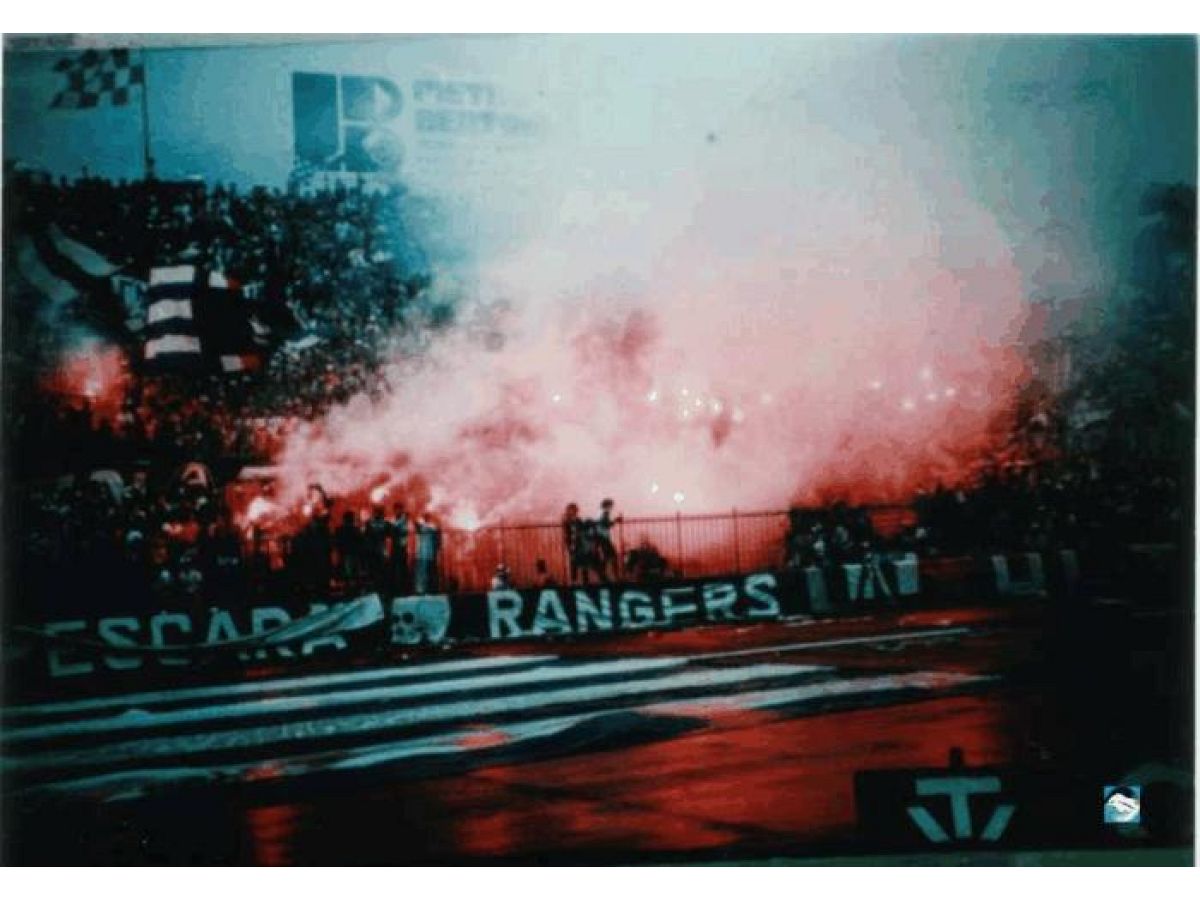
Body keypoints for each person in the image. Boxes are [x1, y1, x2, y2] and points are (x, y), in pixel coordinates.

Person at [595, 498, 622, 581]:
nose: (611, 508)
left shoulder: (600, 513)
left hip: (601, 538)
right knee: (613, 556)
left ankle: (604, 575)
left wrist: (615, 521)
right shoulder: (604, 513)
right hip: (603, 538)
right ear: (607, 506)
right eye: (611, 506)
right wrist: (616, 520)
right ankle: (615, 576)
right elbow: (606, 524)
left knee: (607, 557)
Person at [414, 513, 441, 594]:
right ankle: (421, 589)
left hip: (429, 553)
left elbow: (437, 534)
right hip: (422, 553)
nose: (426, 519)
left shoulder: (432, 527)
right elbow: (417, 525)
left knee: (428, 571)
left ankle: (429, 589)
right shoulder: (423, 526)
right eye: (425, 517)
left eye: (427, 517)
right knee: (422, 571)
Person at [389, 502, 410, 594]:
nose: (397, 511)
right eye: (396, 509)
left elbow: (404, 531)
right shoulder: (396, 519)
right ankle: (395, 588)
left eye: (399, 509)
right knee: (394, 568)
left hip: (402, 546)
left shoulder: (404, 519)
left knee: (402, 568)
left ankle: (404, 589)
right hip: (395, 546)